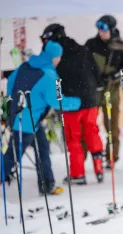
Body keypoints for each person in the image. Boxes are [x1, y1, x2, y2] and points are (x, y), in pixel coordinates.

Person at [4, 41, 81, 195]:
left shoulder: (26, 65)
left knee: (42, 149)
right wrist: (77, 102)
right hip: (26, 122)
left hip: (23, 118)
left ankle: (47, 184)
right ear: (55, 57)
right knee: (11, 158)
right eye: (59, 57)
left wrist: (15, 101)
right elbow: (57, 102)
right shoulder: (49, 75)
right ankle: (45, 184)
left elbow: (11, 80)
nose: (59, 60)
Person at [40, 23, 104, 185]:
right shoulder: (83, 49)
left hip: (70, 102)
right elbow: (97, 73)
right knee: (92, 131)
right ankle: (99, 168)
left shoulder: (53, 53)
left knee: (73, 138)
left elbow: (48, 75)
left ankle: (78, 174)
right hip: (90, 100)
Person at [85, 15, 123, 167]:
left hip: (111, 91)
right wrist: (92, 77)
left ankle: (111, 157)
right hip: (94, 91)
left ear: (111, 29)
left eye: (104, 29)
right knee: (88, 124)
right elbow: (83, 65)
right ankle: (83, 157)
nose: (101, 32)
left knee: (111, 126)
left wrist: (113, 76)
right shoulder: (91, 44)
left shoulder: (121, 46)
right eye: (99, 28)